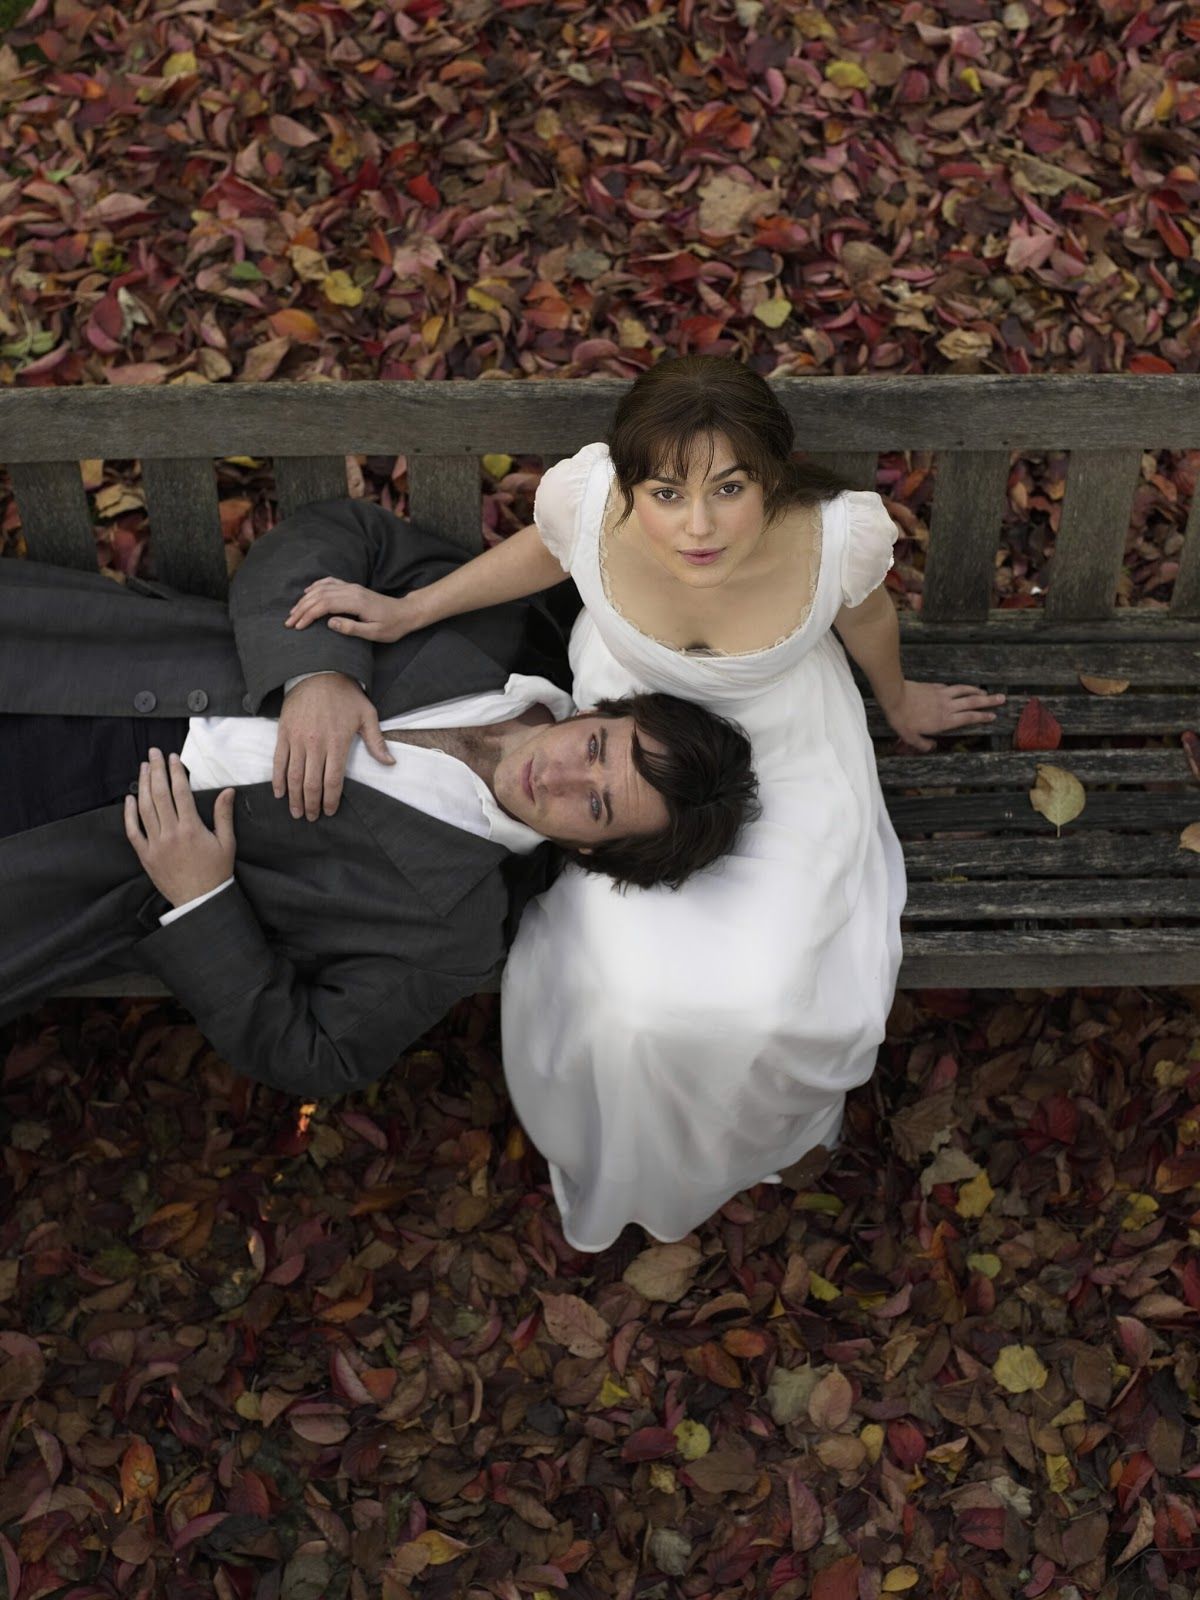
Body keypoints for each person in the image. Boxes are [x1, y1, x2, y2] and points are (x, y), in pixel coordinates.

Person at [284, 357, 1007, 1252]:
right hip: (620, 756)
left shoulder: (835, 537)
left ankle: (748, 1140)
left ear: (771, 475)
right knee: (632, 1000)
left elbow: (870, 622)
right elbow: (547, 551)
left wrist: (898, 701)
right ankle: (627, 1157)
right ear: (632, 486)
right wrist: (410, 611)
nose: (697, 527)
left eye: (729, 489)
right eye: (666, 493)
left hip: (786, 753)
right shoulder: (590, 501)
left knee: (769, 998)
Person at [0, 497, 759, 1098]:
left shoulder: (455, 931)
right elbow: (337, 534)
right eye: (595, 749)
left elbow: (317, 1057)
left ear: (591, 848)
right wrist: (316, 671)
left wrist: (203, 901)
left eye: (594, 806)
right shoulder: (492, 627)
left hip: (69, 854)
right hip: (85, 662)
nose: (559, 776)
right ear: (603, 712)